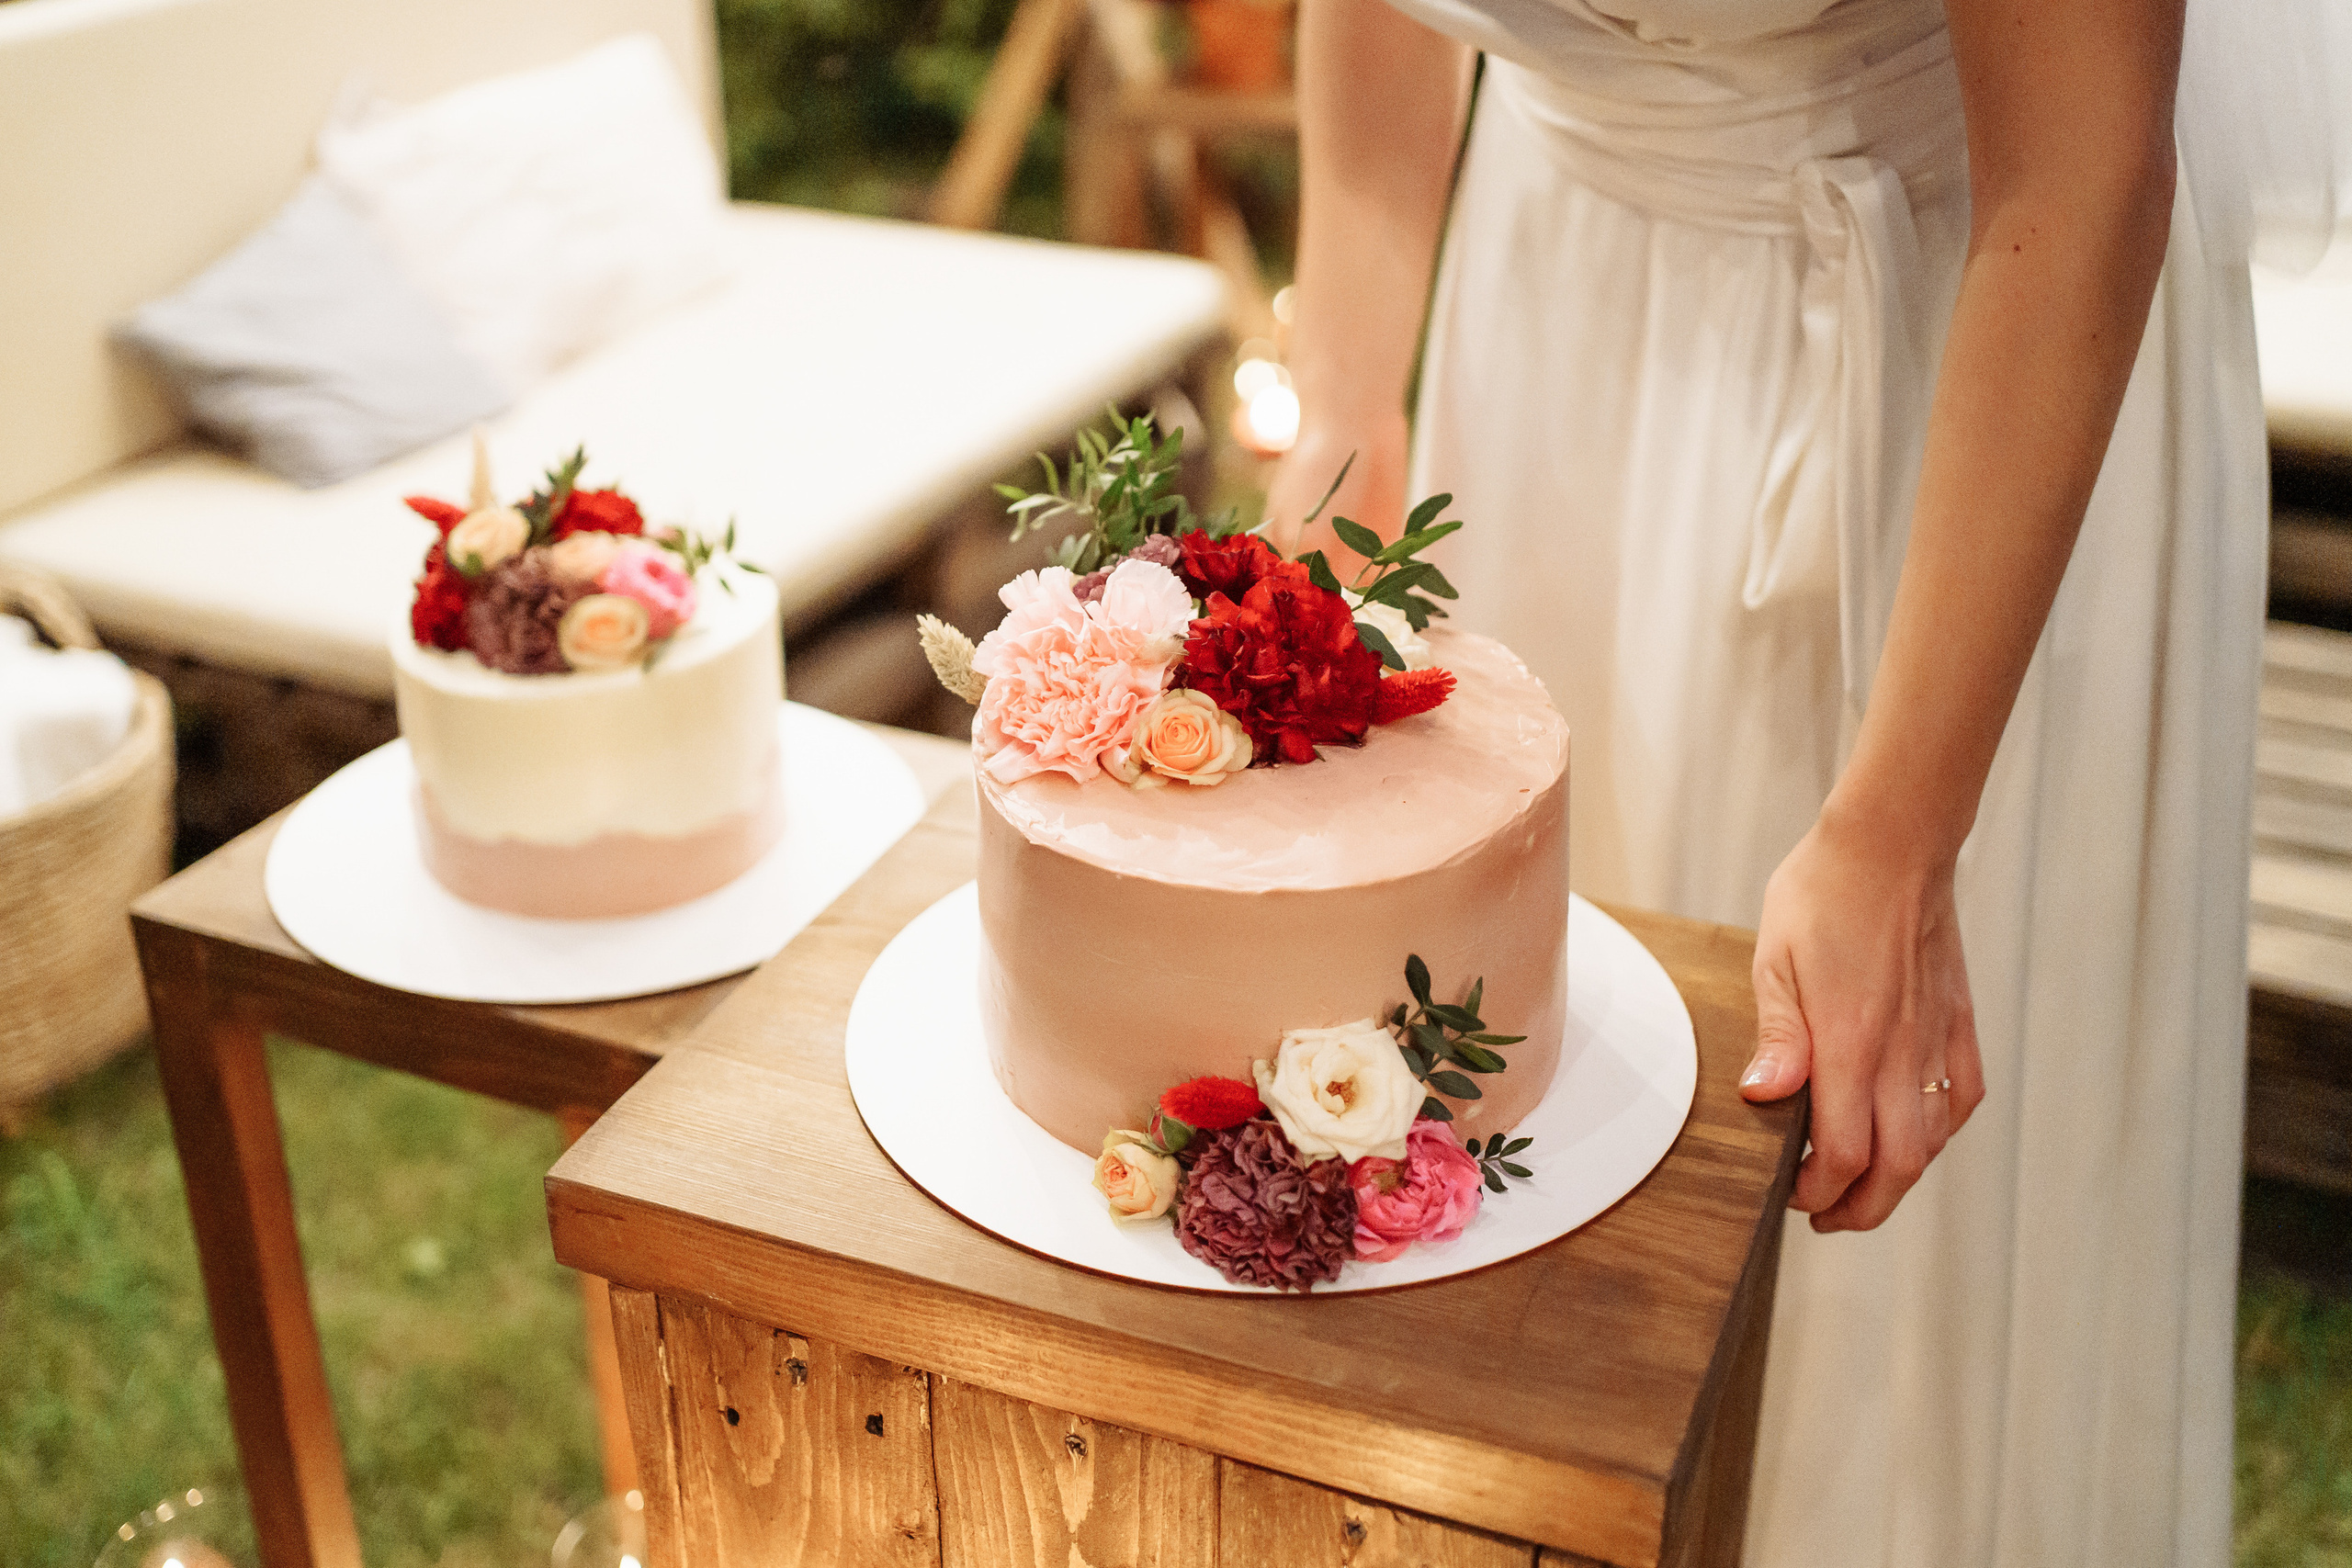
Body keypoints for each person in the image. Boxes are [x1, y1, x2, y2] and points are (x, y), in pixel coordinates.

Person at [1264, 0, 2278, 1560]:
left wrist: (1897, 833)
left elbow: (2077, 166)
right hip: (1552, 294)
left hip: (1965, 331)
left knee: (1872, 1265)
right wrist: (1346, 393)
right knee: (1542, 1141)